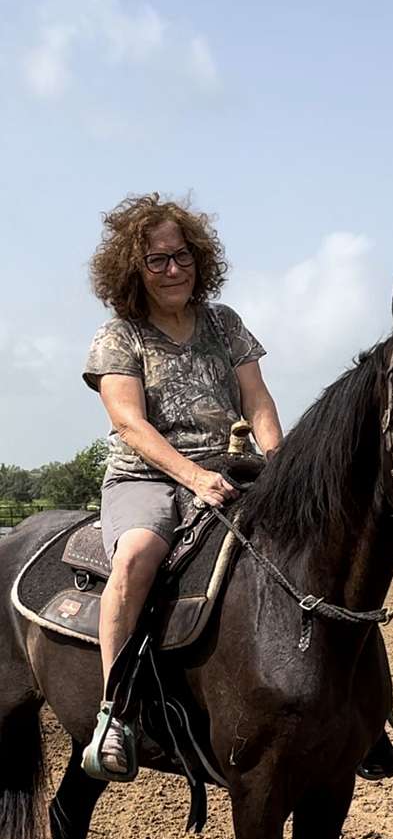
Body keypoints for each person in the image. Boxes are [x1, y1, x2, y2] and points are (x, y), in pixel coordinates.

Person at [81, 194, 284, 781]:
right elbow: (128, 422)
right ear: (132, 268)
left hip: (230, 469)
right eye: (156, 260)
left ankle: (360, 718)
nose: (173, 270)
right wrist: (193, 476)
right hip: (148, 477)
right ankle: (113, 713)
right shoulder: (119, 336)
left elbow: (257, 398)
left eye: (182, 256)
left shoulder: (225, 323)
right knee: (140, 553)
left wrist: (279, 463)